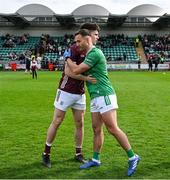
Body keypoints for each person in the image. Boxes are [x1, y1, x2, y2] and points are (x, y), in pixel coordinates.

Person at [66, 29, 140, 177]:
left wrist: (67, 58)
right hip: (95, 96)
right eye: (75, 42)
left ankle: (133, 157)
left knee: (112, 128)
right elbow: (73, 72)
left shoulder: (94, 53)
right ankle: (96, 158)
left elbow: (75, 71)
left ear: (88, 40)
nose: (77, 44)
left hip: (105, 94)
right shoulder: (87, 54)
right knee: (96, 129)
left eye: (79, 41)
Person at [42, 23, 100, 168]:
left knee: (80, 123)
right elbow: (68, 72)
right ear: (89, 36)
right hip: (65, 91)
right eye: (96, 34)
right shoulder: (74, 49)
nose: (97, 37)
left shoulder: (93, 52)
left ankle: (78, 153)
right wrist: (86, 79)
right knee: (57, 121)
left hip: (80, 93)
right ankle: (46, 153)